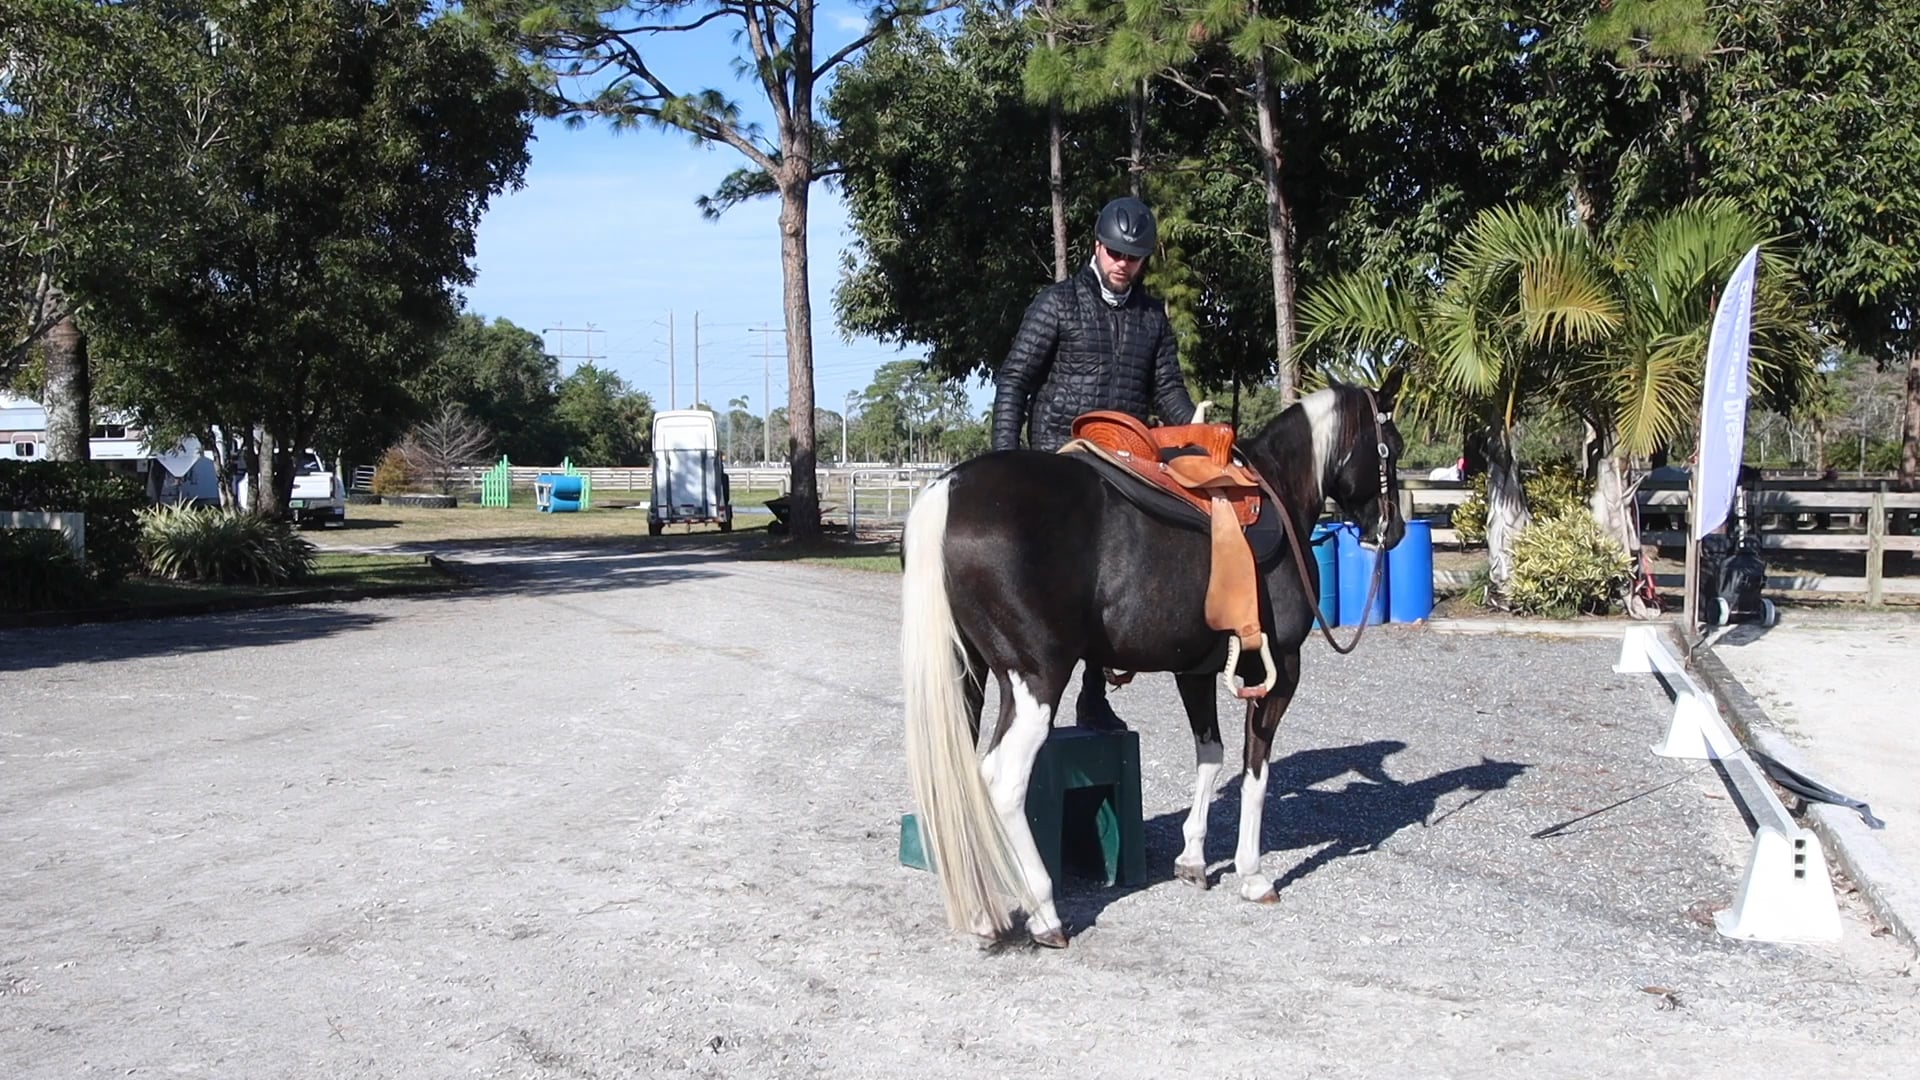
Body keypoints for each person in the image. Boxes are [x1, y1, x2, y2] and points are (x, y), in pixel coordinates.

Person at [991, 195, 1198, 731]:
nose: (1122, 264)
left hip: (1126, 460)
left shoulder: (1153, 318)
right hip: (1061, 456)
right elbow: (1015, 379)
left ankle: (1094, 692)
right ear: (1097, 247)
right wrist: (1006, 461)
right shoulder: (1056, 304)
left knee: (1133, 566)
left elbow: (1168, 389)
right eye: (1115, 253)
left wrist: (1195, 429)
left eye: (1133, 256)